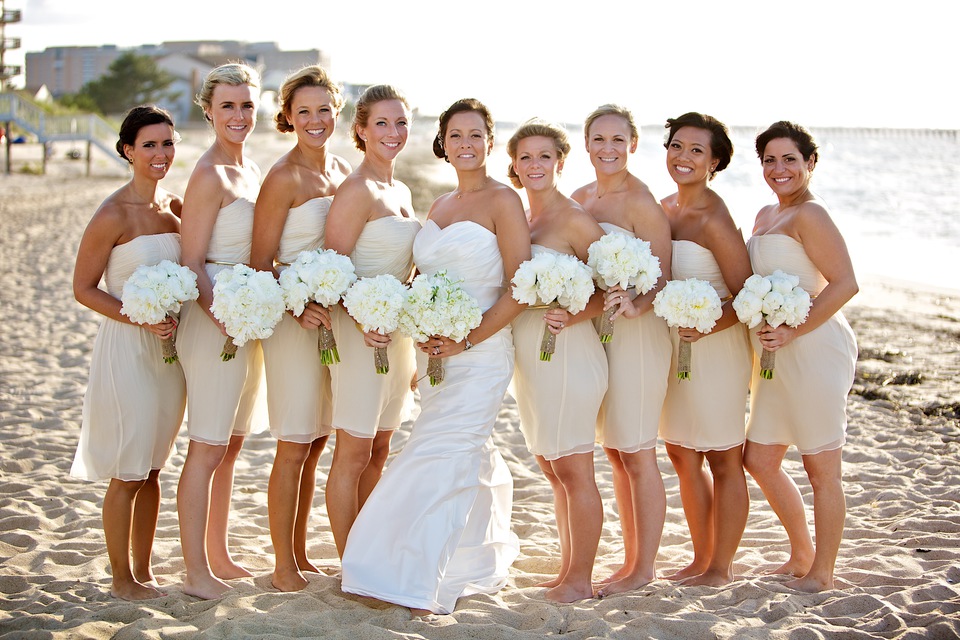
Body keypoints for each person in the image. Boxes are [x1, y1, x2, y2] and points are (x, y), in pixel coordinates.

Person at [340, 98, 530, 615]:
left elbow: (520, 287)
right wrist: (418, 328)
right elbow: (423, 280)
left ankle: (413, 576)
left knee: (441, 451)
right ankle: (469, 559)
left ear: (490, 142)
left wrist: (465, 341)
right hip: (434, 355)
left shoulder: (504, 200)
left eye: (475, 134)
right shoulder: (441, 206)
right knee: (457, 450)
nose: (465, 144)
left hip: (481, 352)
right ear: (442, 143)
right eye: (455, 135)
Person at [70, 105, 184, 600]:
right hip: (129, 347)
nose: (161, 153)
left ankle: (144, 570)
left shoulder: (174, 209)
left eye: (167, 143)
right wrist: (140, 317)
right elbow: (83, 289)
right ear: (128, 151)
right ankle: (120, 579)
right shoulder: (112, 214)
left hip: (171, 352)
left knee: (154, 466)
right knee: (129, 467)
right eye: (149, 145)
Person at [742, 121, 858, 593]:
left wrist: (794, 330)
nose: (779, 168)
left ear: (810, 162)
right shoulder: (765, 214)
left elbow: (846, 283)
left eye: (790, 159)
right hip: (774, 356)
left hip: (814, 350)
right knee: (759, 458)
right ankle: (801, 553)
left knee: (821, 467)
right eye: (769, 160)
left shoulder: (812, 214)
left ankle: (822, 572)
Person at [249, 65, 351, 591]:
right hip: (293, 324)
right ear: (288, 117)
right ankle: (282, 565)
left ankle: (302, 552)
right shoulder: (282, 177)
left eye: (323, 109)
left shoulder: (343, 170)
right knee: (293, 443)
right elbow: (260, 262)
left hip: (332, 322)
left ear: (337, 112)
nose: (315, 120)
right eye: (303, 111)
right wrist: (296, 307)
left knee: (317, 441)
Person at [570, 104, 672, 596]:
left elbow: (664, 275)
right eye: (598, 139)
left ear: (632, 144)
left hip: (637, 334)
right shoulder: (580, 198)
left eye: (617, 140)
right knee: (614, 449)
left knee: (637, 449)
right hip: (598, 332)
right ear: (586, 144)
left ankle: (643, 568)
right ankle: (630, 558)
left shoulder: (641, 202)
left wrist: (636, 303)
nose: (607, 148)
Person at [506, 119, 607, 603]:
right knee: (551, 467)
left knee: (573, 469)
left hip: (569, 352)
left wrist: (573, 314)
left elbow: (613, 288)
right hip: (533, 359)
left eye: (544, 156)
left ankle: (580, 580)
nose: (535, 165)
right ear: (513, 165)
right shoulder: (523, 217)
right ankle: (568, 569)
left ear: (560, 162)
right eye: (525, 157)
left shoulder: (573, 219)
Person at [175, 62, 264, 600]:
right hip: (215, 325)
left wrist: (249, 317)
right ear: (208, 110)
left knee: (230, 446)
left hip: (246, 321)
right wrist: (225, 320)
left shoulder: (250, 169)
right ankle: (195, 571)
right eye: (228, 105)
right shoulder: (208, 173)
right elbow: (192, 263)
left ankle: (219, 552)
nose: (239, 115)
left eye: (247, 104)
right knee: (206, 447)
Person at [323, 85, 420, 560]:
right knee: (353, 452)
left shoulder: (401, 190)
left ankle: (366, 552)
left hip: (396, 337)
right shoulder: (356, 190)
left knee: (380, 448)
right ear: (360, 130)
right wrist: (361, 320)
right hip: (360, 335)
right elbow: (331, 269)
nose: (393, 132)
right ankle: (350, 563)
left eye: (401, 122)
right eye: (381, 122)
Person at [657, 112, 753, 586]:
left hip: (716, 348)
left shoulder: (715, 218)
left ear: (714, 162)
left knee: (722, 457)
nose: (684, 157)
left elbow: (748, 295)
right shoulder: (662, 208)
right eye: (677, 146)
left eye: (697, 150)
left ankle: (720, 566)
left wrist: (707, 325)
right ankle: (699, 558)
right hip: (674, 347)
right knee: (680, 452)